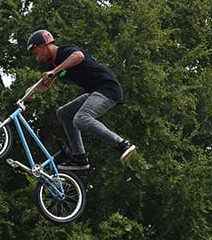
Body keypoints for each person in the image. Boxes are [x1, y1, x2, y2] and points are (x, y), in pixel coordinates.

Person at [25, 29, 136, 171]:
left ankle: (121, 144)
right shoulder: (53, 65)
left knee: (81, 118)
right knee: (64, 113)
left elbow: (79, 56)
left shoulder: (65, 51)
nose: (37, 58)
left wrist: (55, 71)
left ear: (41, 46)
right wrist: (31, 91)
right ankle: (79, 158)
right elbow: (45, 85)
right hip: (94, 92)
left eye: (36, 54)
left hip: (107, 88)